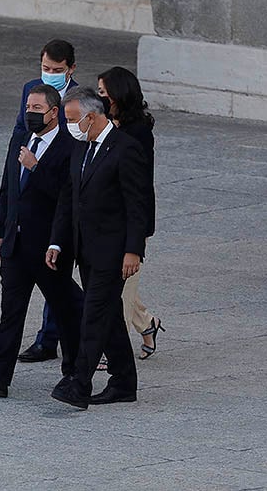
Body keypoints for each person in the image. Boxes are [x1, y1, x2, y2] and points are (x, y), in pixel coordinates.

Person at [0, 84, 83, 398]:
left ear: (54, 113)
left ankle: (73, 375)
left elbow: (67, 197)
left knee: (64, 311)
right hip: (15, 245)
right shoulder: (20, 138)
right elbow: (8, 190)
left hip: (48, 248)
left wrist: (36, 168)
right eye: (28, 107)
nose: (31, 114)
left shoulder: (70, 145)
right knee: (10, 313)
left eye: (37, 109)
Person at [47, 87, 149, 409]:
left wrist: (134, 250)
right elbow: (69, 198)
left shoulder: (125, 149)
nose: (69, 126)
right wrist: (57, 241)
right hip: (85, 249)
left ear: (92, 116)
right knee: (109, 316)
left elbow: (138, 205)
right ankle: (124, 381)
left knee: (92, 315)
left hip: (114, 251)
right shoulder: (82, 148)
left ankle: (80, 382)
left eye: (73, 119)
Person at [13, 39, 78, 364]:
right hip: (30, 192)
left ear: (70, 69)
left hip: (58, 196)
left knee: (58, 281)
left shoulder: (80, 100)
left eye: (57, 70)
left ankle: (52, 339)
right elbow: (19, 131)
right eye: (46, 69)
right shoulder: (30, 90)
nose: (49, 75)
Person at [98, 66, 164, 361]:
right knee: (118, 285)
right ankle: (148, 323)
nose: (98, 97)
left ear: (118, 95)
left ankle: (111, 353)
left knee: (121, 291)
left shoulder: (137, 133)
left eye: (103, 93)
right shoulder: (100, 124)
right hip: (102, 218)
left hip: (129, 222)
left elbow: (138, 188)